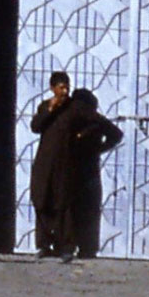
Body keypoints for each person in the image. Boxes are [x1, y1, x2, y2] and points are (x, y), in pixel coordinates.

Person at [52, 88, 124, 260]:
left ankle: (65, 246)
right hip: (89, 169)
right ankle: (88, 248)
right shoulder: (94, 117)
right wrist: (99, 149)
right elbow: (116, 134)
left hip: (66, 168)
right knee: (89, 210)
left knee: (67, 207)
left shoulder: (66, 116)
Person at [28, 71, 76, 257]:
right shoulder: (45, 107)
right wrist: (50, 109)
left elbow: (94, 122)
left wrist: (83, 137)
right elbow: (35, 127)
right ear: (52, 88)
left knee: (62, 204)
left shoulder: (74, 108)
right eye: (61, 88)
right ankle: (44, 245)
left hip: (65, 163)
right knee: (42, 200)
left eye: (66, 87)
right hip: (45, 162)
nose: (64, 92)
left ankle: (65, 247)